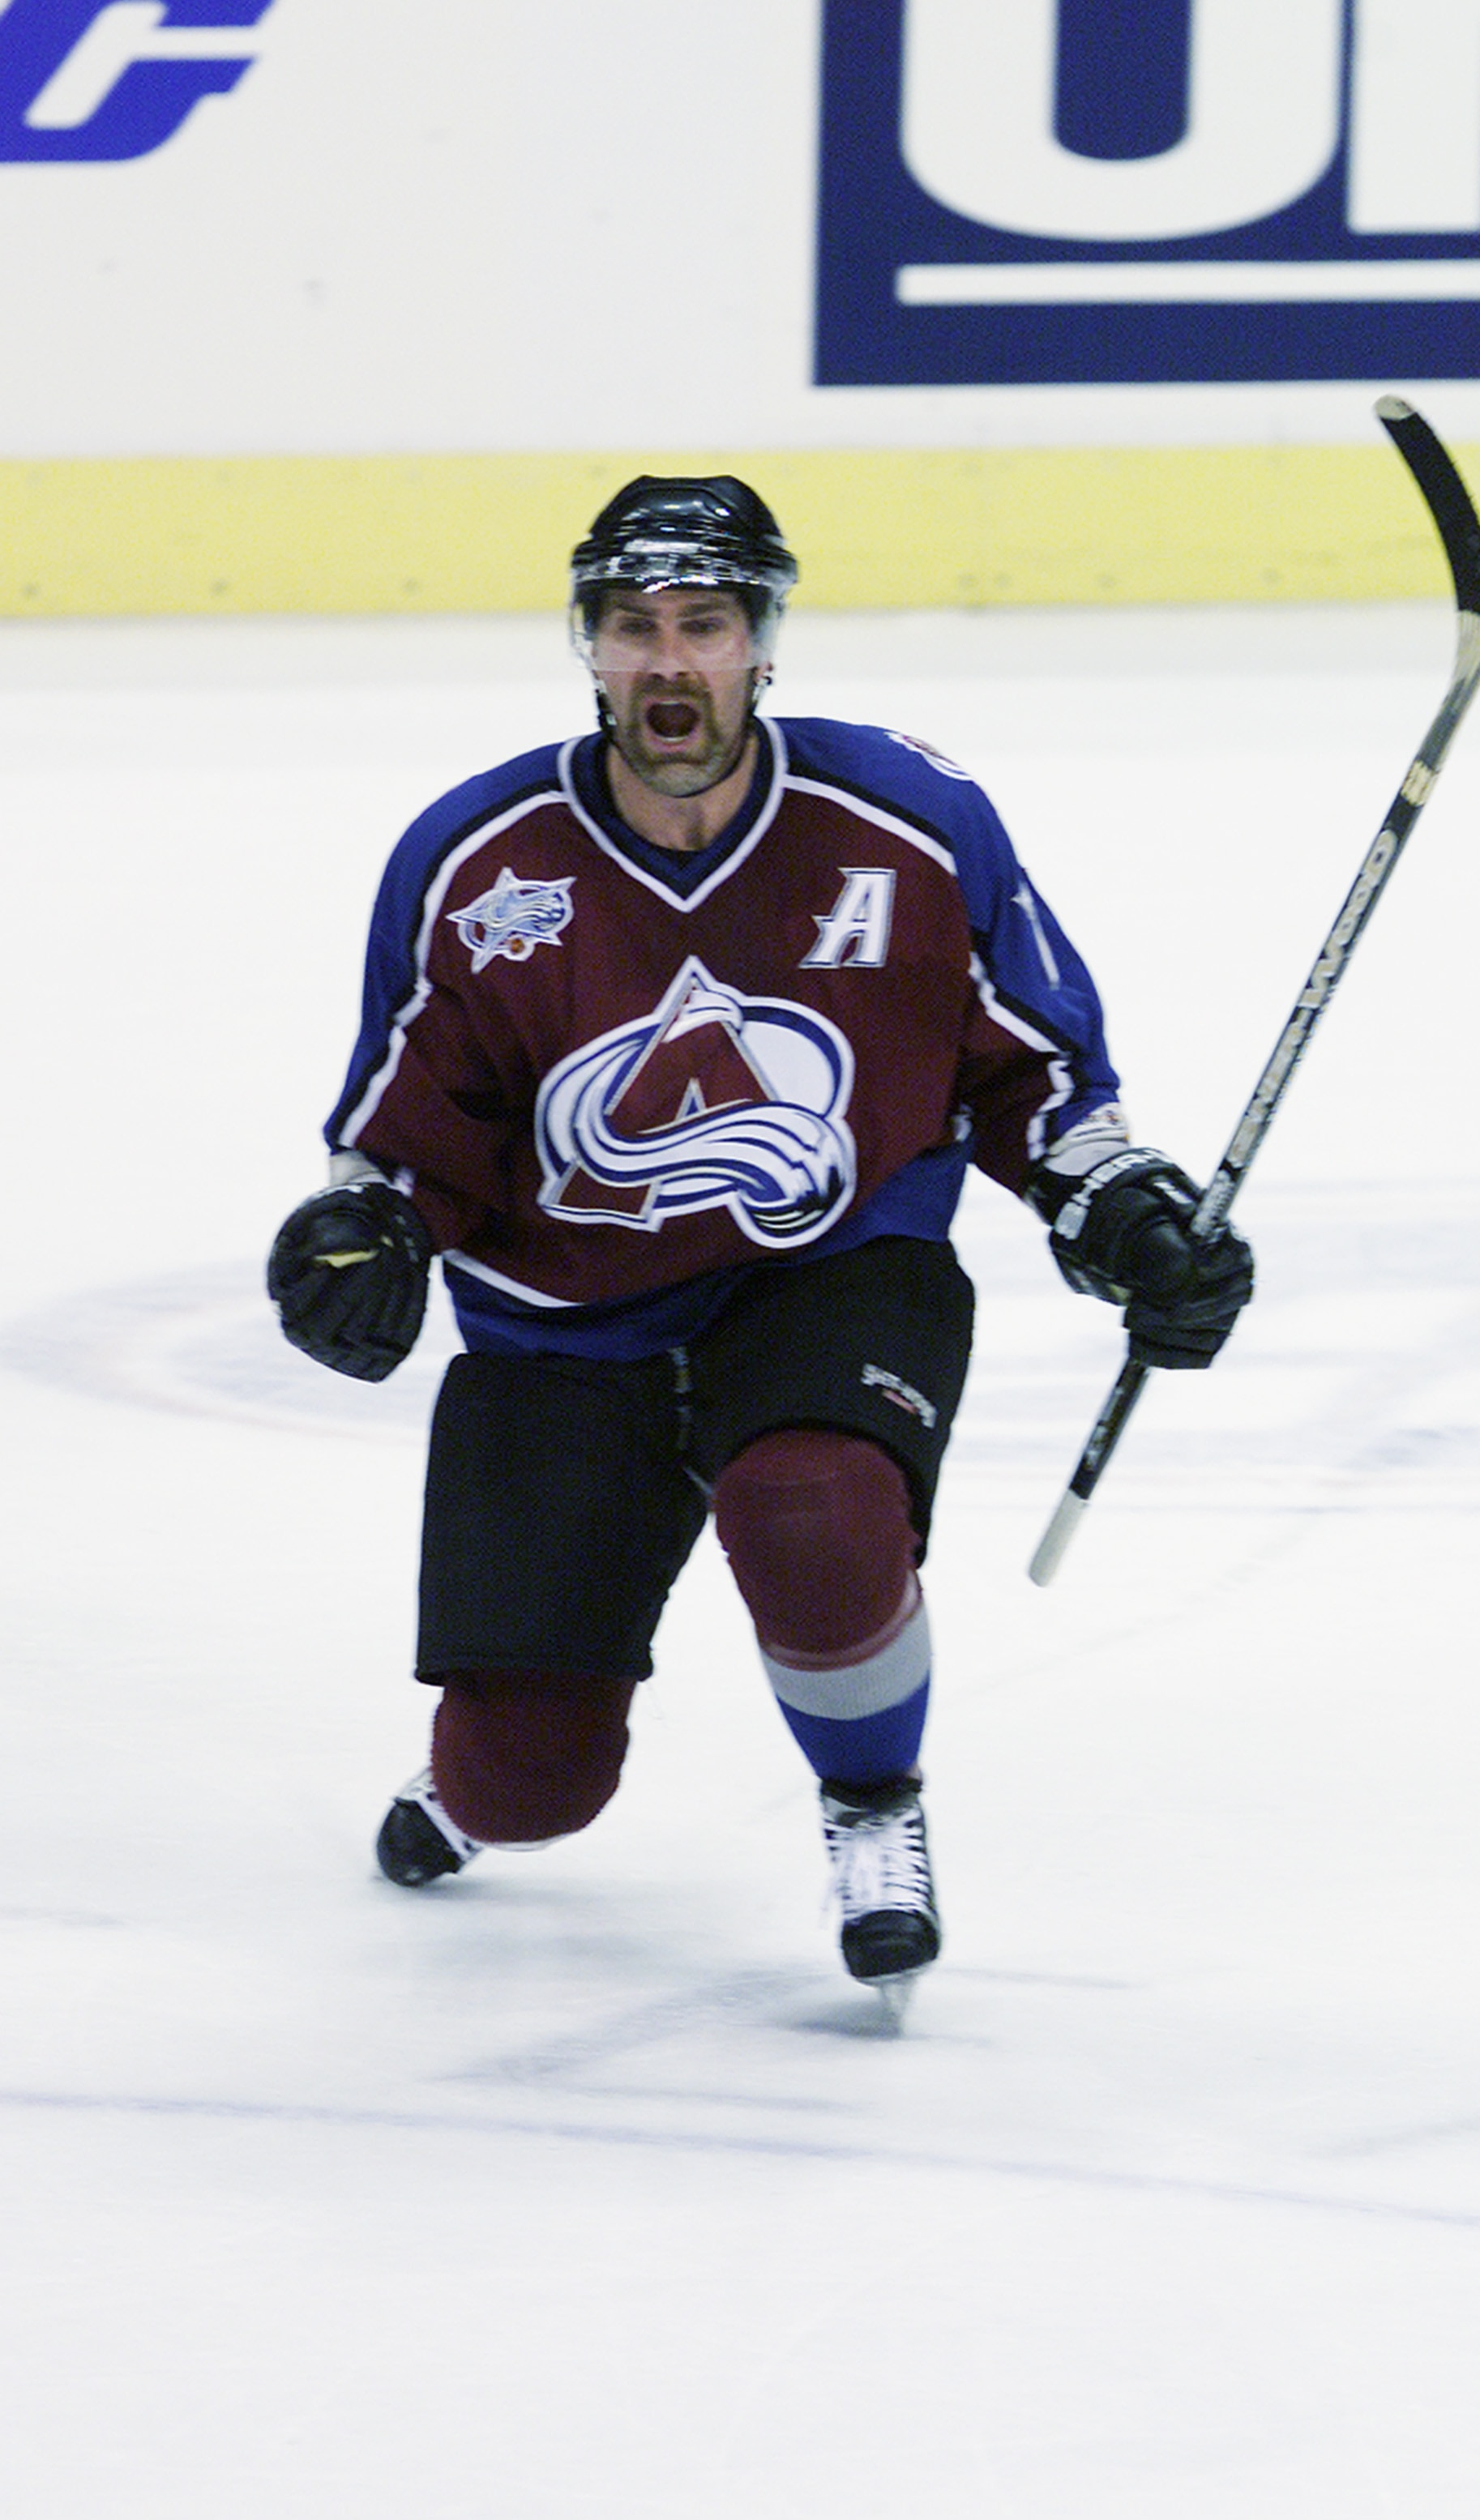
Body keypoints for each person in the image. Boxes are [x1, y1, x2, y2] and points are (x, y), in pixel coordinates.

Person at [266, 476, 1254, 1995]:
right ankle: (473, 1788)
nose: (670, 662)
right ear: (587, 647)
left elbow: (1036, 1074)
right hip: (561, 1317)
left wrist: (1116, 1203)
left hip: (832, 1262)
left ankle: (873, 1806)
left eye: (706, 624)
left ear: (762, 644)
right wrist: (361, 1228)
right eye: (634, 626)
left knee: (813, 1507)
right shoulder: (480, 861)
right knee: (532, 1779)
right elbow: (409, 1130)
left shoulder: (906, 824)